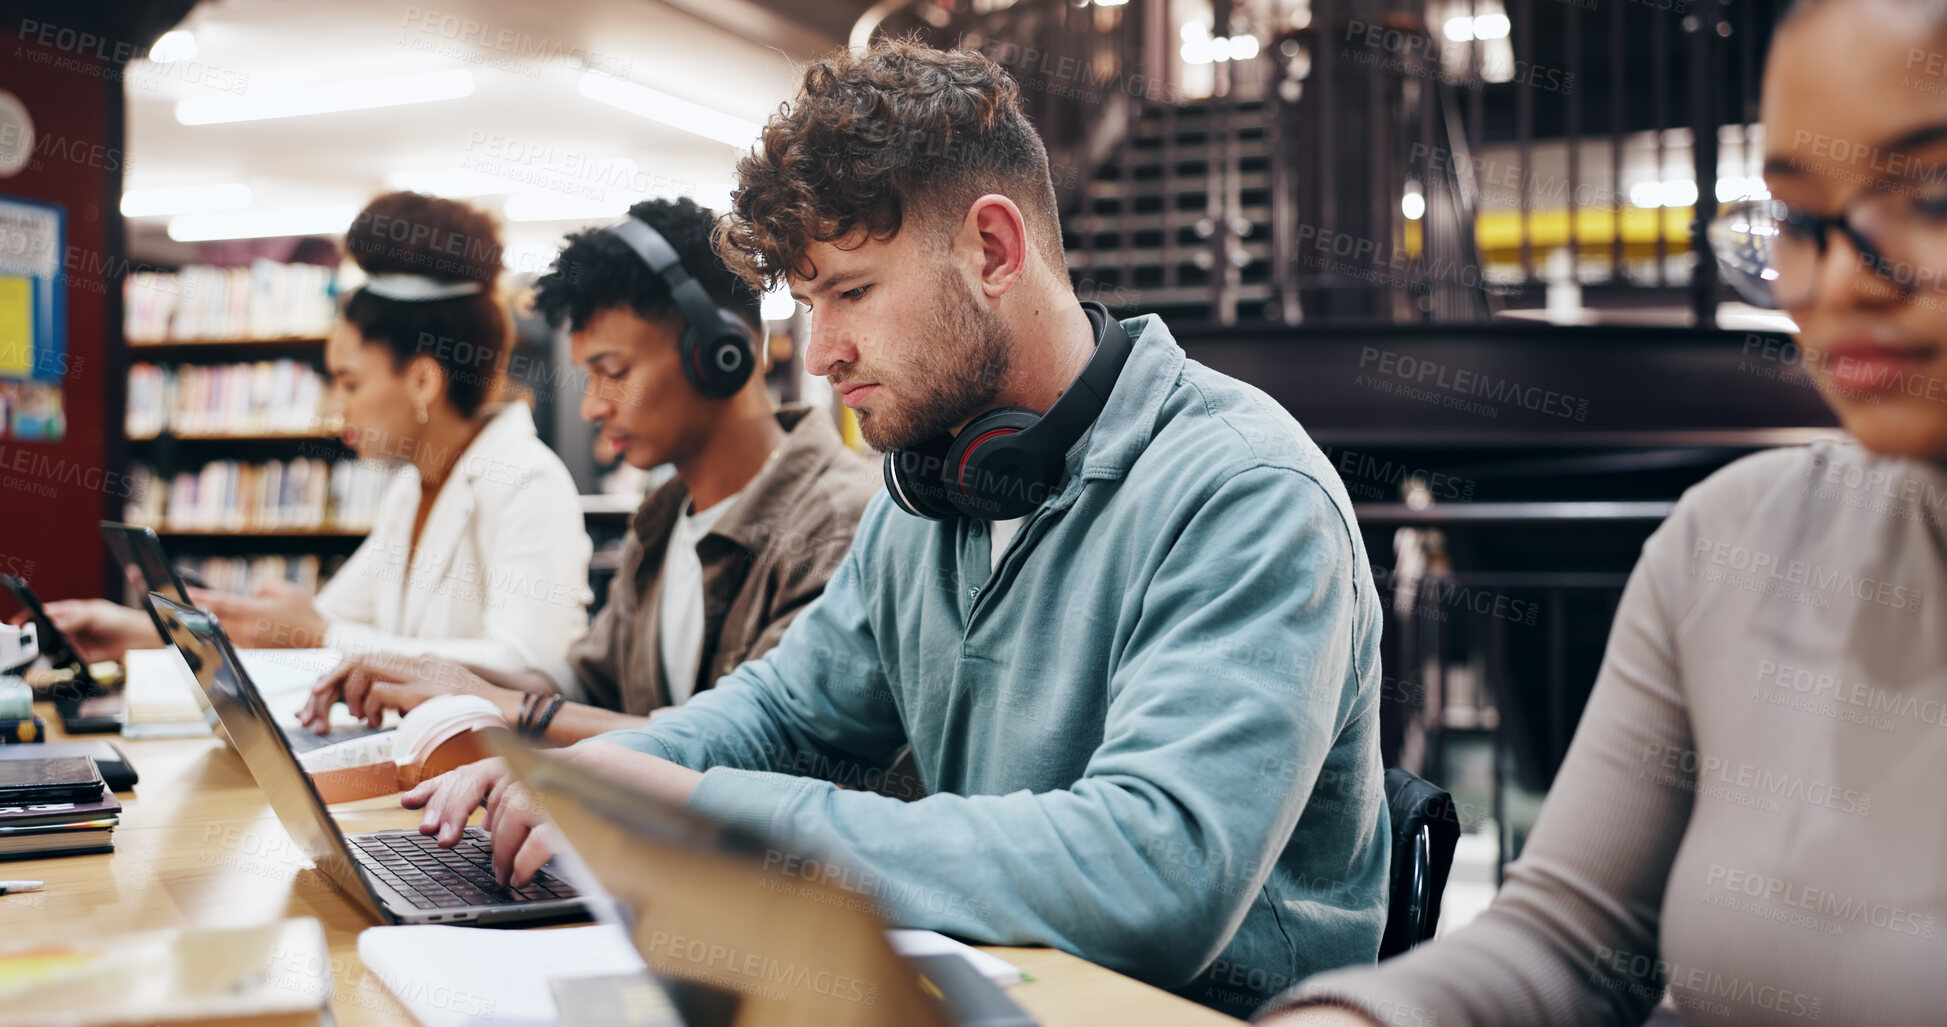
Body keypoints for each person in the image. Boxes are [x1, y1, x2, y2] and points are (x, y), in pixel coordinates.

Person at [408, 37, 1389, 1018]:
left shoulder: (1245, 492)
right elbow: (786, 716)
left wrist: (709, 810)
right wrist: (621, 775)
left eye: (853, 291)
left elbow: (1154, 872)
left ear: (994, 250)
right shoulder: (931, 486)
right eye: (807, 304)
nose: (822, 352)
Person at [1261, 1, 1947, 1023]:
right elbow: (1570, 943)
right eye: (1800, 220)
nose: (1838, 276)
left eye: (1927, 198)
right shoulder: (1729, 543)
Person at [294, 196, 881, 743]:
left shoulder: (837, 523)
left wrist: (517, 710)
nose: (592, 406)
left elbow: (756, 749)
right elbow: (587, 685)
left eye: (614, 370)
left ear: (722, 356)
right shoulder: (665, 520)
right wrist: (434, 675)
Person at [41, 193, 592, 674]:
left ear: (423, 378)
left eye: (349, 383)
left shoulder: (526, 481)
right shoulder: (414, 487)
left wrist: (322, 636)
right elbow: (319, 623)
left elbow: (530, 667)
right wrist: (137, 634)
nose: (337, 407)